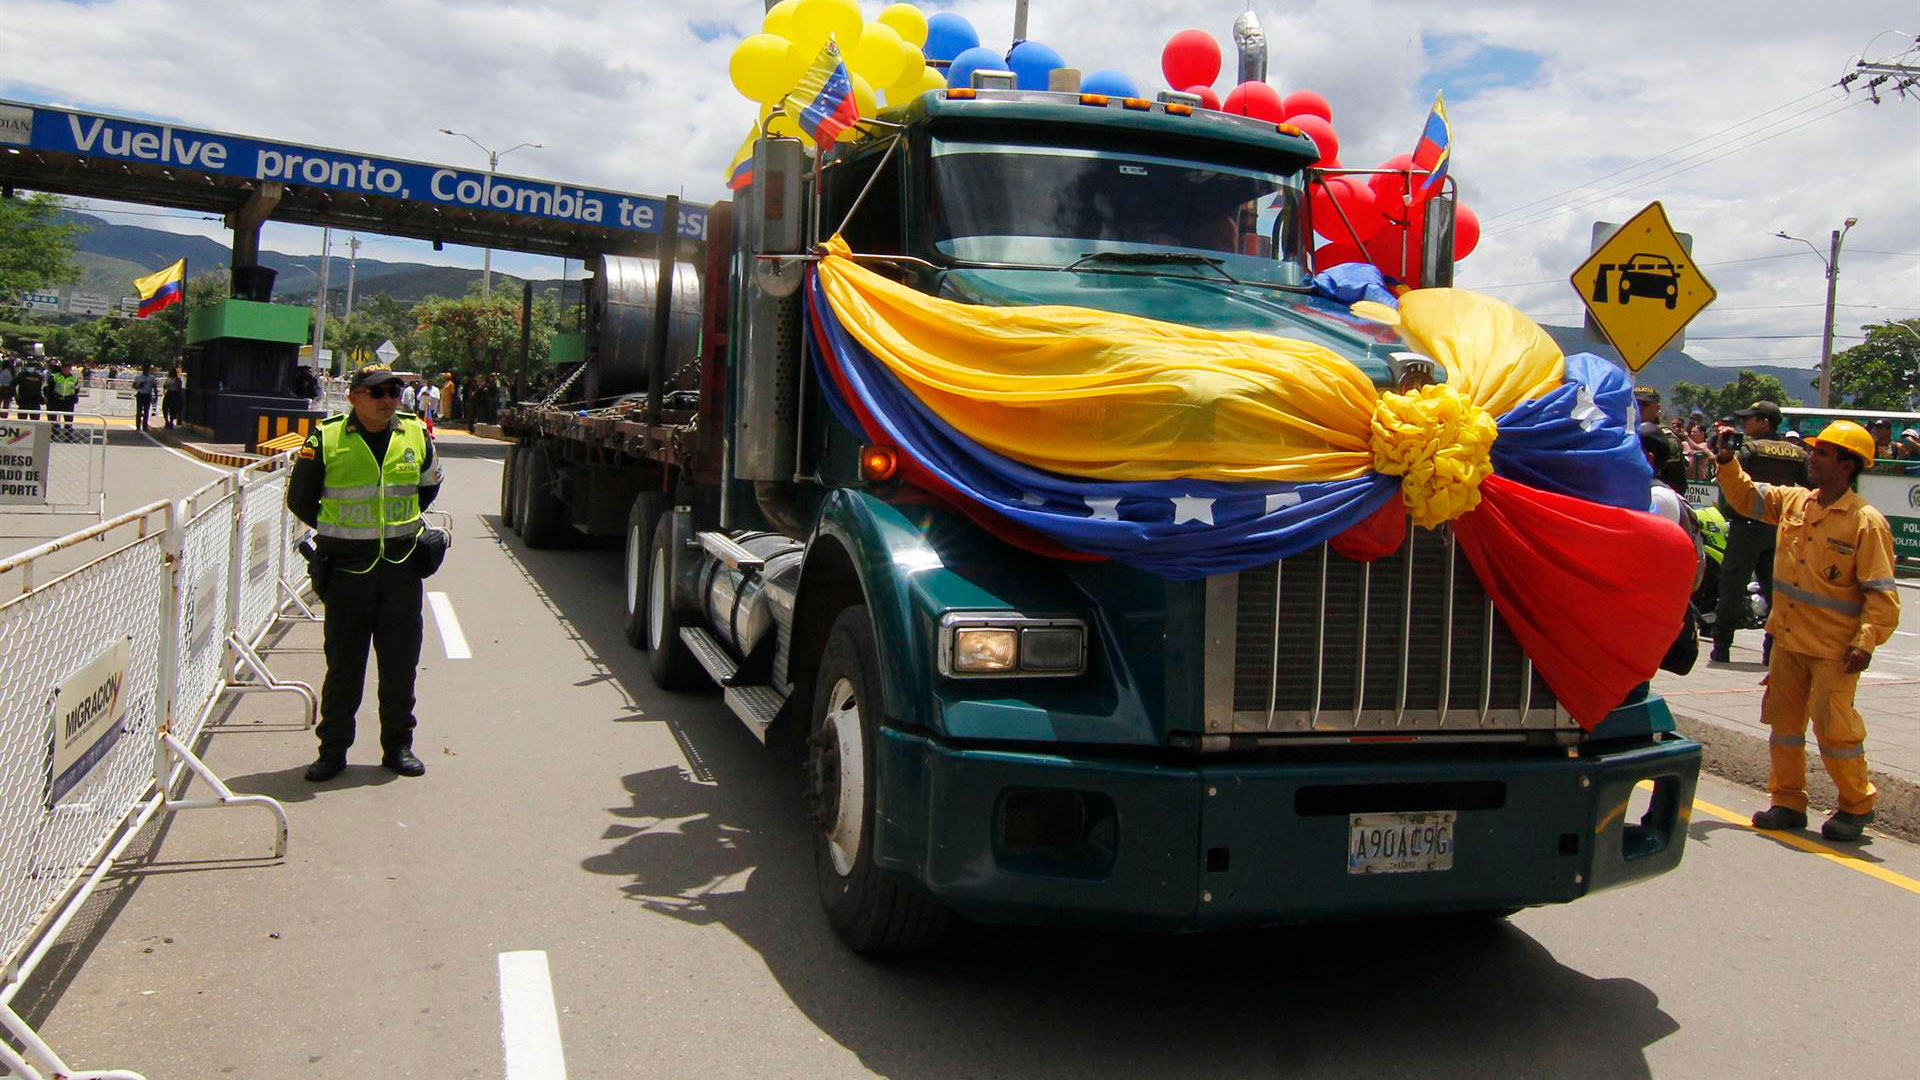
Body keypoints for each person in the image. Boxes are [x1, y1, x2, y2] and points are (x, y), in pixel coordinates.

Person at [1716, 420, 1900, 840]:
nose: (1812, 459)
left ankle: (1856, 805)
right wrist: (1726, 463)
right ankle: (1787, 801)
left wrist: (1866, 641)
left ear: (1848, 465)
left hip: (1835, 650)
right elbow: (1747, 497)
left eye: (1823, 453)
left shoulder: (1865, 523)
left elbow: (1881, 594)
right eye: (1813, 452)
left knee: (1835, 730)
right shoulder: (1797, 503)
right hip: (1788, 640)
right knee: (1784, 725)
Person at [286, 364, 444, 782]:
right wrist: (343, 535)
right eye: (378, 392)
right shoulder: (327, 437)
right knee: (344, 668)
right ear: (355, 396)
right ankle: (332, 750)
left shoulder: (415, 434)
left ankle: (398, 747)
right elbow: (301, 499)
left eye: (394, 391)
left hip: (400, 571)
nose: (388, 399)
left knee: (400, 667)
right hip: (346, 572)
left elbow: (427, 488)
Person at [1710, 400, 1807, 665]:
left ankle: (1721, 647)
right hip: (1780, 526)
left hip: (1748, 525)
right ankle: (1771, 650)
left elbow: (1731, 481)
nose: (1745, 423)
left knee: (1731, 587)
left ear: (1764, 421)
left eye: (1750, 419)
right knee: (1777, 591)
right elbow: (1811, 486)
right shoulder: (1796, 452)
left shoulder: (1747, 449)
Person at [46, 361, 78, 434]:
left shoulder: (74, 378)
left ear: (70, 369)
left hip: (68, 401)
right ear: (62, 368)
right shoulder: (54, 376)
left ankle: (68, 435)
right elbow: (49, 388)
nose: (66, 370)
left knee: (68, 419)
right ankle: (54, 433)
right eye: (64, 368)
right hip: (56, 400)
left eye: (68, 368)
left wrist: (74, 398)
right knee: (54, 419)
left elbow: (76, 389)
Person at [131, 363, 158, 432]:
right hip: (140, 394)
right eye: (144, 369)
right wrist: (139, 386)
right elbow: (133, 386)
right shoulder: (138, 377)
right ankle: (138, 426)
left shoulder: (152, 378)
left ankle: (145, 426)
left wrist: (156, 395)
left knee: (146, 411)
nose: (145, 370)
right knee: (139, 411)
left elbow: (154, 387)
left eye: (147, 369)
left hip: (147, 395)